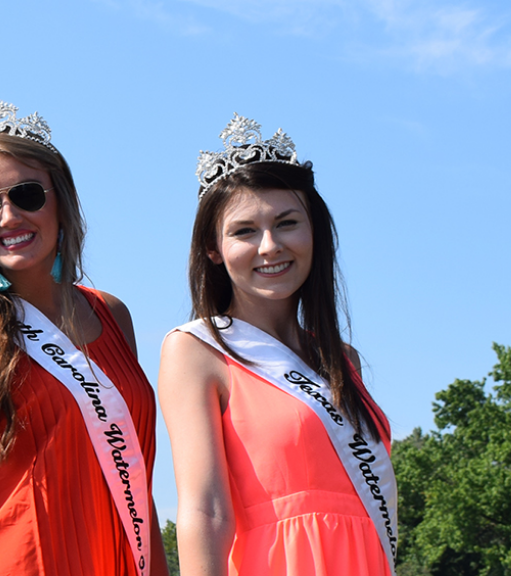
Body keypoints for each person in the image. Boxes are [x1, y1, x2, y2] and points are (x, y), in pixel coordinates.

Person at [0, 100, 164, 576]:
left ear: (61, 201)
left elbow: (138, 488)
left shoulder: (112, 316)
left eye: (27, 195)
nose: (7, 216)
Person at [159, 116, 399, 576]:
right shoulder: (197, 350)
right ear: (214, 248)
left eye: (287, 223)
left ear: (314, 233)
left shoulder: (342, 362)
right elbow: (204, 511)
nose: (270, 246)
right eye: (244, 231)